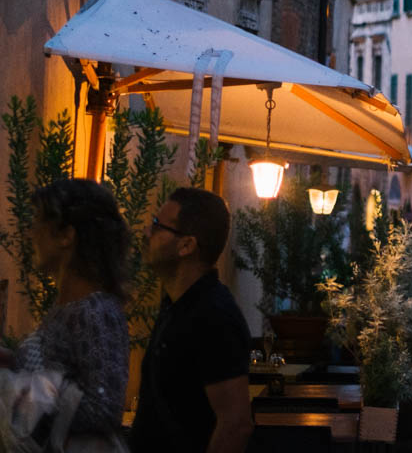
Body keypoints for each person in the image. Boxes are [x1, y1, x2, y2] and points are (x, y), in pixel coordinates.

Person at [5, 178, 132, 445]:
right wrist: (12, 364)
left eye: (39, 221)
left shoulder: (96, 312)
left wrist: (16, 387)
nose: (31, 233)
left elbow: (104, 407)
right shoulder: (68, 309)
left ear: (66, 235)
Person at [128, 188, 253, 453]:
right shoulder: (176, 306)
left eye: (156, 226)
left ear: (187, 245)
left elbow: (235, 424)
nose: (146, 233)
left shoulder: (213, 315)